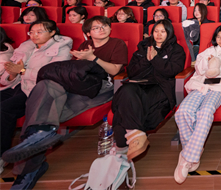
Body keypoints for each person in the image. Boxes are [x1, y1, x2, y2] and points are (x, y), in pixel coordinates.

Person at [2, 16, 128, 185]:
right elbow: (75, 73)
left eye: (105, 26)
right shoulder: (85, 45)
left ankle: (28, 170)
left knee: (40, 113)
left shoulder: (117, 43)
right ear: (88, 33)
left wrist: (92, 58)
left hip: (101, 88)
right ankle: (38, 141)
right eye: (96, 27)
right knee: (45, 85)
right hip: (77, 86)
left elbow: (114, 70)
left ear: (110, 29)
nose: (102, 29)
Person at [0, 21, 72, 176]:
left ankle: (2, 156)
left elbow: (52, 75)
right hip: (19, 85)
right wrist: (12, 74)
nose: (34, 35)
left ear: (52, 32)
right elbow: (8, 76)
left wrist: (23, 71)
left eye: (39, 32)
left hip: (38, 90)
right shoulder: (26, 47)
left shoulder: (62, 48)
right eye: (31, 32)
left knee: (5, 109)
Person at [174, 25, 221, 183]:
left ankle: (187, 159)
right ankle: (194, 151)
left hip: (220, 87)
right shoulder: (208, 50)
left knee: (205, 111)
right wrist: (208, 63)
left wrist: (218, 62)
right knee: (183, 111)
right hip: (201, 84)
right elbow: (198, 68)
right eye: (218, 37)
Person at [112, 19, 186, 161]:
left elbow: (172, 71)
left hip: (160, 86)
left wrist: (155, 59)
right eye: (156, 31)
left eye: (163, 31)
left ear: (169, 33)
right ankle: (135, 135)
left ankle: (122, 144)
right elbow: (132, 72)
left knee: (128, 102)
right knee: (126, 92)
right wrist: (146, 59)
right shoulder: (143, 48)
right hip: (139, 84)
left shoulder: (176, 50)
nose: (159, 34)